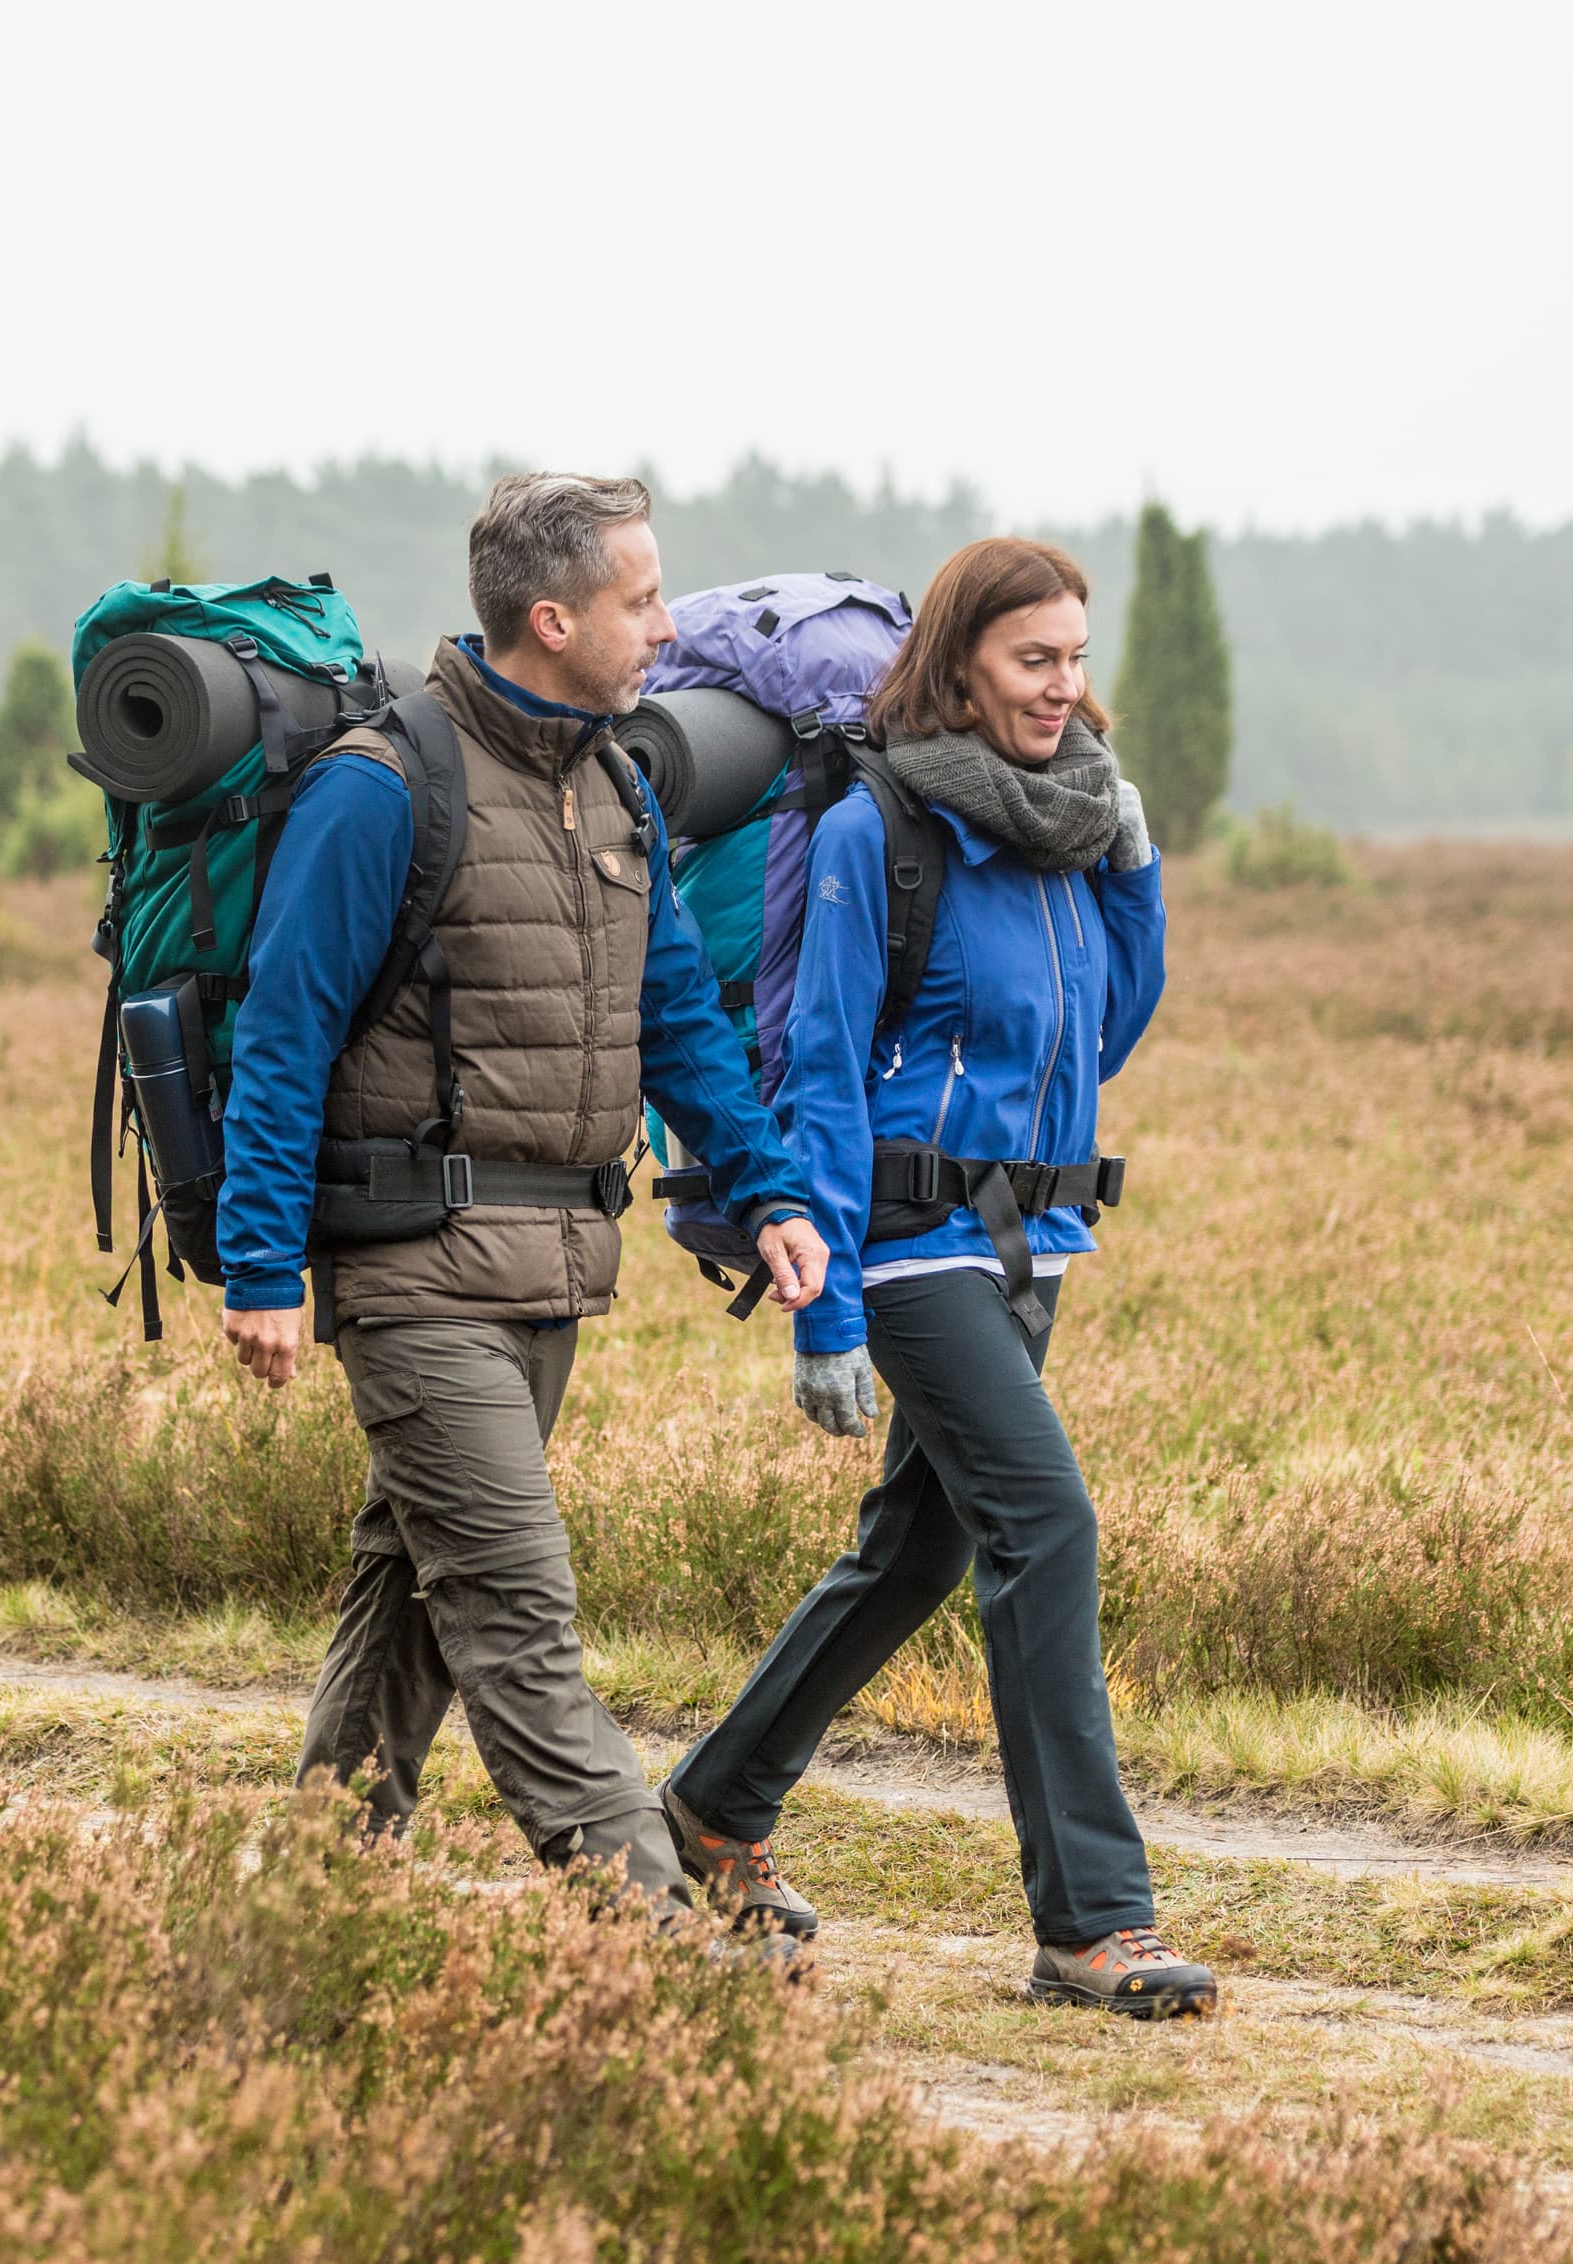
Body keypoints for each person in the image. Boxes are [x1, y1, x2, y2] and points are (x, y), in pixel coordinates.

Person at [216, 472, 829, 1917]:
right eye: (642, 601)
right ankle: (659, 1939)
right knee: (514, 1611)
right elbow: (284, 1033)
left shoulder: (613, 785)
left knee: (409, 1600)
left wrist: (770, 1193)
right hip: (413, 1268)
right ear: (552, 620)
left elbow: (677, 1019)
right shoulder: (382, 786)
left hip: (552, 1267)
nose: (668, 629)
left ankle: (307, 1896)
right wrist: (259, 1266)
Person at [660, 536, 1218, 2020]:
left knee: (916, 1553)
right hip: (910, 1250)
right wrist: (826, 1312)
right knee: (1046, 1523)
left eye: (1077, 658)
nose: (1063, 686)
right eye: (1034, 659)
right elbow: (822, 1072)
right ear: (962, 662)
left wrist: (1133, 870)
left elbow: (1104, 1031)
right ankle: (1092, 1924)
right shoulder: (880, 828)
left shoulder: (1061, 824)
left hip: (1033, 1245)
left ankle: (712, 1808)